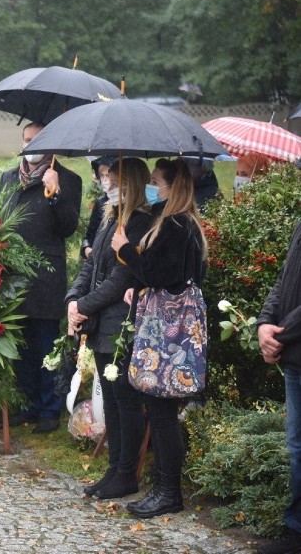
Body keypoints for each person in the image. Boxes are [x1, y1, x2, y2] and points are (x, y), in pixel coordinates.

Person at [111, 157, 207, 518]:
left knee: (163, 412)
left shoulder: (176, 225)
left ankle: (169, 491)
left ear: (169, 185)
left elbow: (158, 272)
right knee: (161, 411)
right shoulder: (184, 223)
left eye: (155, 180)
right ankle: (164, 487)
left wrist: (124, 250)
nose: (152, 186)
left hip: (168, 333)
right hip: (170, 327)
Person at [66, 158, 153, 500]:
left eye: (111, 177)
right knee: (113, 401)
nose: (105, 182)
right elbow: (90, 266)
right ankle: (114, 468)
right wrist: (74, 299)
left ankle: (126, 473)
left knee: (125, 401)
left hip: (121, 323)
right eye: (103, 176)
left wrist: (83, 307)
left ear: (129, 181)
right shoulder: (110, 217)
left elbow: (120, 280)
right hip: (101, 321)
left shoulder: (139, 222)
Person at [0, 122, 83, 434]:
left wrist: (55, 192)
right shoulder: (9, 178)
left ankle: (50, 409)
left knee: (47, 344)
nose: (31, 147)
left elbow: (67, 227)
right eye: (27, 140)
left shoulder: (67, 179)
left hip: (45, 276)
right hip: (12, 275)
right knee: (20, 345)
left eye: (38, 141)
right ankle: (29, 403)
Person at [256, 221, 301, 554]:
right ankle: (295, 529)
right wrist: (263, 324)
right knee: (297, 447)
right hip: (294, 357)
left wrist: (278, 335)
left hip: (291, 344)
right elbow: (283, 281)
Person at [81, 156, 117, 259]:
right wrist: (87, 248)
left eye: (108, 176)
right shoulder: (100, 203)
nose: (105, 180)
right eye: (102, 176)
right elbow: (89, 235)